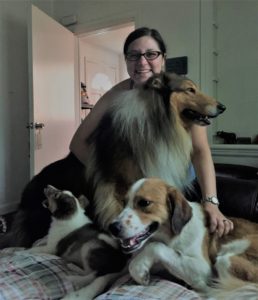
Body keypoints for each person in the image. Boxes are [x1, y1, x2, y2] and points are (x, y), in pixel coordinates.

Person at [70, 27, 233, 237]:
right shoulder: (116, 94)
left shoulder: (179, 92)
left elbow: (200, 151)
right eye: (134, 55)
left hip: (175, 185)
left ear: (163, 58)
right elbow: (77, 143)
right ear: (126, 60)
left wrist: (211, 202)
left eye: (151, 54)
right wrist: (107, 172)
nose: (142, 62)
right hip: (136, 189)